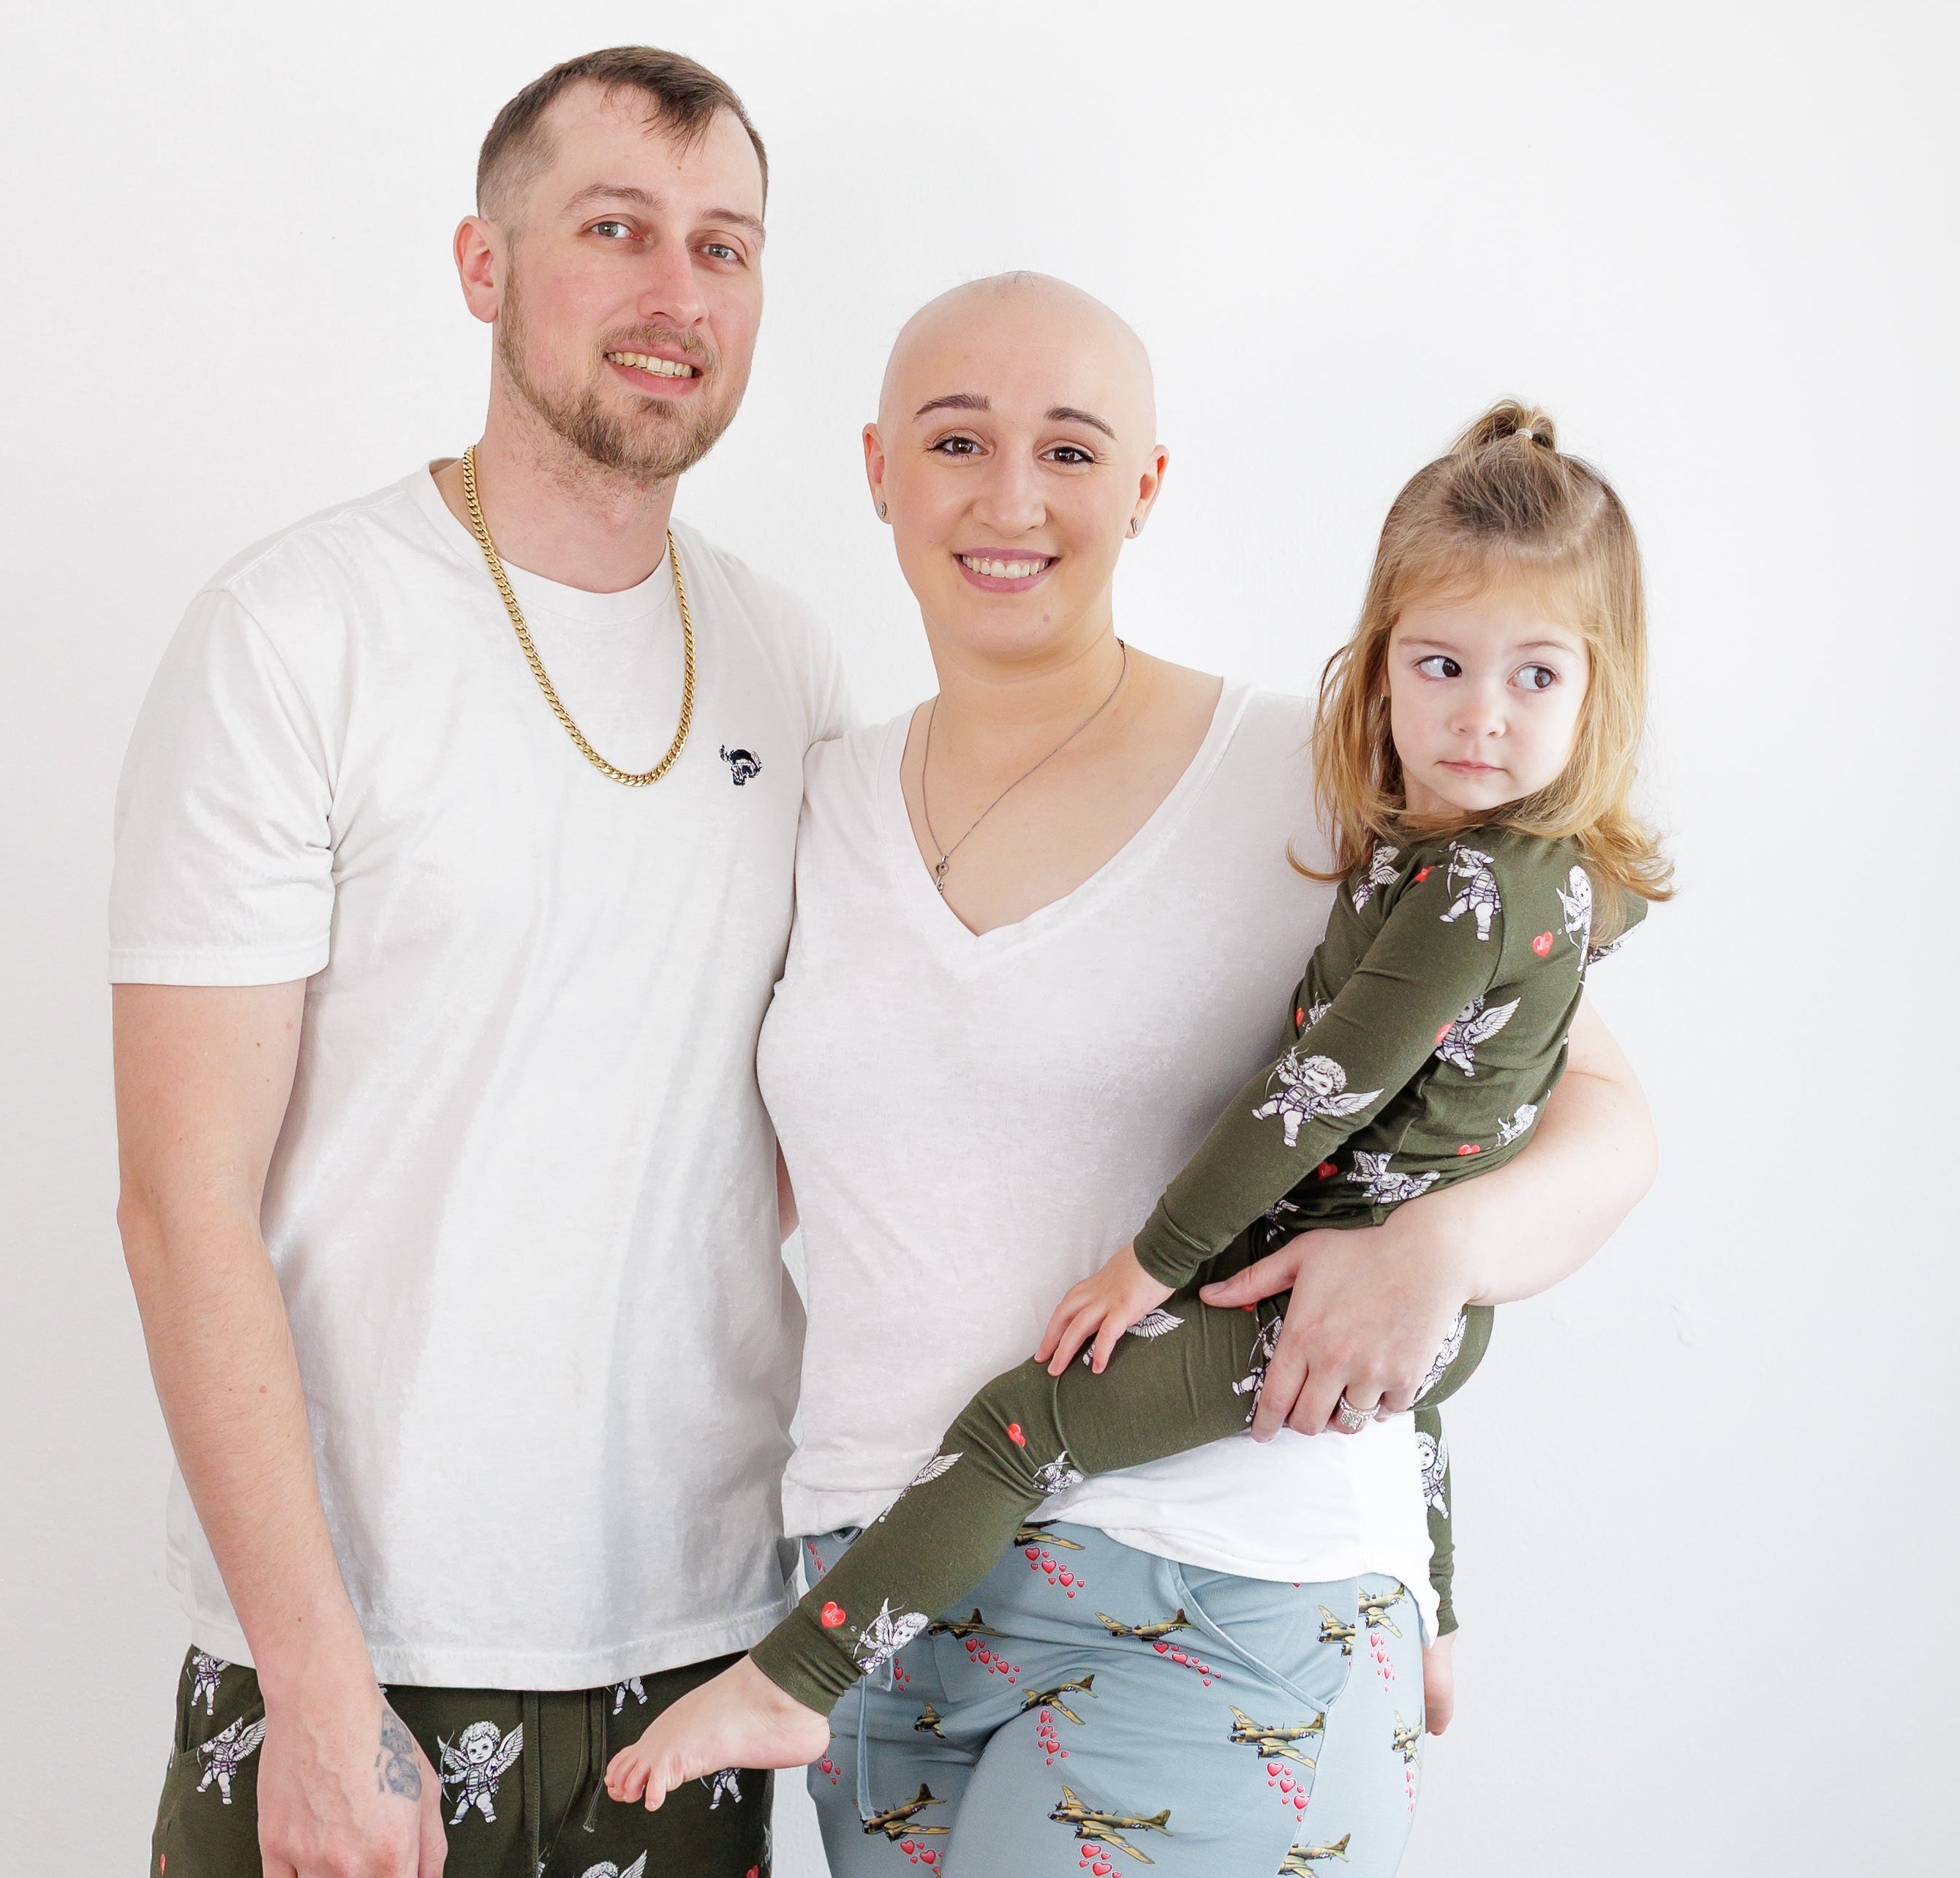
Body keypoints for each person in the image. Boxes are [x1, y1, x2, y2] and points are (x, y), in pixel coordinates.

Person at [632, 273, 1656, 1878]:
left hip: (1218, 1608)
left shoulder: (1330, 777)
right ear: (875, 469)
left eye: (1073, 448)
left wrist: (1435, 1251)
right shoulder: (815, 803)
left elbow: (1597, 1112)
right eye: (956, 437)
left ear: (1147, 484)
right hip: (881, 1605)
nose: (1011, 492)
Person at [103, 48, 847, 1878]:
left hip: (687, 1670)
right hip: (351, 1661)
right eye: (615, 224)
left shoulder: (791, 660)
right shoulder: (296, 632)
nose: (674, 287)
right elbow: (179, 1208)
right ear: (483, 263)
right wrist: (317, 1692)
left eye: (722, 245)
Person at [611, 395, 1669, 1784]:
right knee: (1411, 1381)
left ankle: (798, 1677)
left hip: (1291, 1347)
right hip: (1369, 1318)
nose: (1479, 718)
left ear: (1601, 693)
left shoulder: (1466, 888)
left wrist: (1146, 1266)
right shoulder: (1530, 874)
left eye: (1537, 677)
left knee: (1026, 1421)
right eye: (1442, 667)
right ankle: (1445, 1627)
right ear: (1382, 668)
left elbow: (1314, 1097)